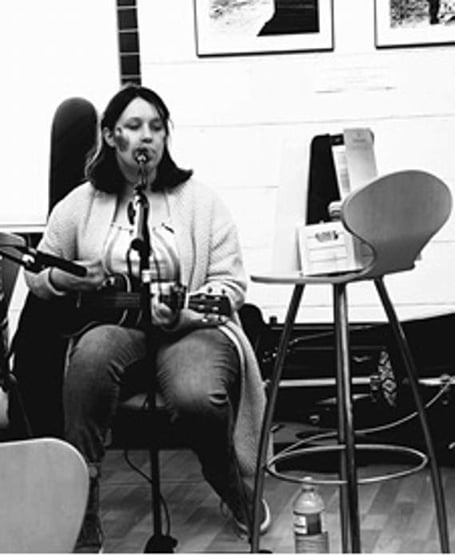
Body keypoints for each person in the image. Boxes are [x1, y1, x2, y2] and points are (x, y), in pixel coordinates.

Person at [24, 83, 271, 552]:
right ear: (110, 135)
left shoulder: (200, 201)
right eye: (134, 126)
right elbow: (38, 273)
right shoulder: (81, 203)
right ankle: (83, 507)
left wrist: (185, 312)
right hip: (117, 329)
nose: (147, 137)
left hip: (190, 327)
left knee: (196, 395)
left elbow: (230, 283)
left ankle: (230, 483)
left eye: (156, 127)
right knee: (89, 360)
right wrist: (69, 280)